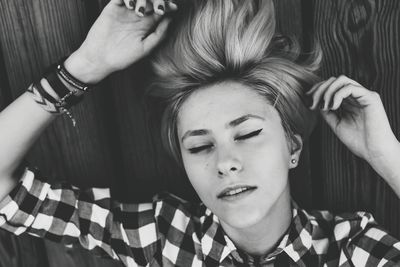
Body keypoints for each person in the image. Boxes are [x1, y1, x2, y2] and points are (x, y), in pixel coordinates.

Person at [0, 0, 399, 266]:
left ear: (292, 145)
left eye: (246, 134)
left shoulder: (351, 249)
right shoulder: (161, 237)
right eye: (200, 145)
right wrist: (84, 67)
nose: (225, 162)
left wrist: (386, 156)